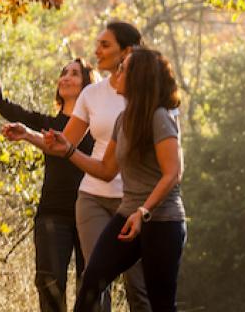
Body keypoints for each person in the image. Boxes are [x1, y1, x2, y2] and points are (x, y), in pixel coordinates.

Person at [4, 21, 151, 312]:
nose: (96, 50)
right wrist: (28, 135)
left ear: (128, 51)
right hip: (93, 197)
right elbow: (63, 145)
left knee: (140, 292)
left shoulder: (148, 94)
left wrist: (150, 202)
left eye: (105, 44)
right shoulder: (91, 96)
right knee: (92, 284)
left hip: (134, 200)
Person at [44, 47, 186, 312]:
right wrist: (69, 150)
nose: (116, 73)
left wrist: (144, 211)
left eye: (123, 69)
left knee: (159, 304)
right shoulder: (124, 120)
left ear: (137, 77)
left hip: (162, 221)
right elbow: (106, 169)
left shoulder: (159, 117)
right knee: (92, 283)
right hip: (127, 216)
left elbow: (173, 173)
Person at [0, 24, 95, 312]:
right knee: (50, 288)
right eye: (64, 72)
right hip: (53, 215)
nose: (66, 77)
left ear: (89, 85)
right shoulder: (48, 124)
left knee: (92, 292)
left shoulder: (99, 125)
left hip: (93, 214)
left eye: (74, 73)